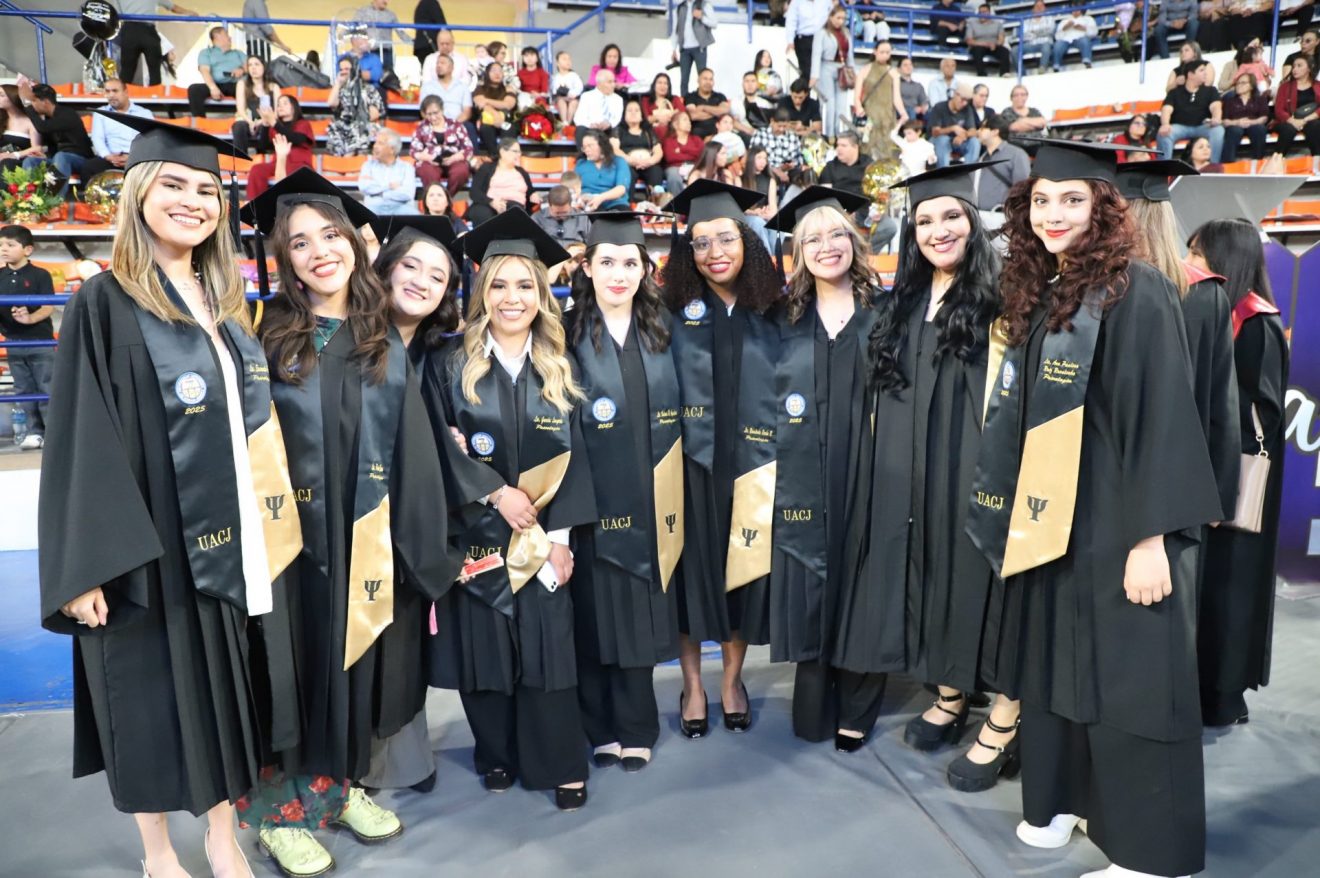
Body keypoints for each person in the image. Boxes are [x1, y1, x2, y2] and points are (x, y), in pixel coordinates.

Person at [37, 114, 296, 878]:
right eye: (174, 185)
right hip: (141, 544)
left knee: (220, 694)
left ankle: (222, 836)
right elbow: (80, 436)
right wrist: (86, 566)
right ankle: (157, 853)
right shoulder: (104, 301)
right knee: (144, 697)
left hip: (221, 537)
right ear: (140, 193)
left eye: (207, 190)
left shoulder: (225, 305)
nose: (193, 201)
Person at [971, 138, 1221, 878]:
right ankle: (1066, 800)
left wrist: (1151, 538)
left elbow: (1164, 417)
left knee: (1132, 675)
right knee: (1055, 663)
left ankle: (1148, 851)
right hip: (1053, 519)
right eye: (1042, 201)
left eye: (1072, 200)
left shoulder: (1138, 291)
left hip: (1118, 519)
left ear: (1104, 208)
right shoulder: (1044, 292)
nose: (1053, 214)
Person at [240, 168, 456, 874]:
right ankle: (278, 815)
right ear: (284, 258)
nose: (319, 252)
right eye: (299, 243)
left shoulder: (379, 339)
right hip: (286, 543)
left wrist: (421, 550)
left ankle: (336, 789)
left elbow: (413, 451)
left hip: (362, 535)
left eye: (330, 235)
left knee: (351, 660)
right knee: (285, 667)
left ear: (356, 243)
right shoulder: (264, 336)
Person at [842, 162, 1016, 788]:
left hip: (975, 468)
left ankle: (1005, 713)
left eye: (951, 217)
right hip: (913, 469)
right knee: (929, 569)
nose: (938, 230)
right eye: (924, 221)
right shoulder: (905, 302)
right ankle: (949, 691)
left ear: (973, 222)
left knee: (979, 578)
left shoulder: (1003, 297)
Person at [424, 208, 596, 811]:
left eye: (525, 284)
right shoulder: (449, 364)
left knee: (549, 648)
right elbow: (437, 447)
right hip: (477, 533)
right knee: (486, 652)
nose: (512, 297)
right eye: (498, 284)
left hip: (543, 537)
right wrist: (494, 492)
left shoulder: (562, 365)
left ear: (542, 293)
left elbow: (581, 456)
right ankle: (495, 752)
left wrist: (561, 540)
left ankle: (559, 762)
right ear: (481, 292)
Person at [745, 186, 886, 748]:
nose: (826, 247)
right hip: (803, 474)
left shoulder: (886, 314)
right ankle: (815, 685)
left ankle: (859, 696)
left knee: (865, 578)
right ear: (797, 252)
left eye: (836, 235)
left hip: (870, 468)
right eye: (812, 239)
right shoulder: (782, 319)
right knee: (810, 576)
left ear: (854, 241)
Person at [660, 179, 782, 739]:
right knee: (691, 580)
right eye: (701, 242)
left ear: (747, 241)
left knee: (741, 578)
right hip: (689, 468)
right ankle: (693, 686)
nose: (714, 252)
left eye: (726, 239)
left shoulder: (774, 310)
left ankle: (732, 681)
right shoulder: (668, 313)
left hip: (753, 465)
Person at [564, 210, 682, 773]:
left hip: (651, 496)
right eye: (607, 261)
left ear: (644, 270)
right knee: (591, 613)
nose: (619, 273)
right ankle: (598, 725)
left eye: (630, 263)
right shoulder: (562, 333)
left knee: (637, 611)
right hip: (586, 497)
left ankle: (637, 725)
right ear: (587, 267)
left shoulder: (663, 330)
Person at [1188, 218, 1289, 728]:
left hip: (1237, 475)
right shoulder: (1218, 313)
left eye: (1198, 253)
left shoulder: (1256, 322)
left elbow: (1259, 411)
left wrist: (1222, 470)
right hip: (1212, 469)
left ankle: (1224, 694)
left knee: (1231, 588)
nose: (1190, 263)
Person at [0, 225, 54, 450]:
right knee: (23, 389)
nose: (4, 249)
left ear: (28, 249)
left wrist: (30, 318)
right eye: (1, 245)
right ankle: (34, 432)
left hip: (40, 342)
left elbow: (49, 306)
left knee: (47, 387)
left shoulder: (41, 275)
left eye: (10, 245)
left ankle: (54, 433)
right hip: (13, 342)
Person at [16, 80, 93, 195]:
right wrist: (45, 155)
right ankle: (29, 198)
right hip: (58, 159)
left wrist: (27, 106)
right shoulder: (48, 118)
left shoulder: (67, 114)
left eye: (34, 101)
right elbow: (51, 144)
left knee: (61, 156)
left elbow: (43, 128)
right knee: (30, 161)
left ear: (45, 102)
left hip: (81, 159)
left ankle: (54, 199)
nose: (32, 105)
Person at [245, 94, 316, 199]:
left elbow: (296, 139)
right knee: (257, 170)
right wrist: (265, 124)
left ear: (294, 107)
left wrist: (273, 122)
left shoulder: (303, 124)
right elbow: (264, 146)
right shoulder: (275, 126)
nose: (280, 107)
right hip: (278, 164)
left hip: (298, 164)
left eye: (285, 103)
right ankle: (254, 204)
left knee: (296, 173)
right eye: (278, 105)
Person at [83, 79, 153, 183]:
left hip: (136, 159)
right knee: (88, 167)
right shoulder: (100, 112)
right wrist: (108, 156)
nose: (111, 95)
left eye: (115, 91)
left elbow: (150, 141)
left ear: (125, 92)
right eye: (107, 91)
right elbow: (97, 138)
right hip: (110, 158)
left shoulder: (144, 113)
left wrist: (132, 157)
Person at [115, 0, 198, 87]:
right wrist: (189, 12)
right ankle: (155, 93)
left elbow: (116, 13)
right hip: (148, 31)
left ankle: (119, 92)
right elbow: (173, 7)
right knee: (154, 69)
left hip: (129, 31)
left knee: (127, 70)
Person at [1157, 60, 1223, 162]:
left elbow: (1216, 106)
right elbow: (1166, 109)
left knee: (1218, 130)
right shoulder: (1175, 92)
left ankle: (1213, 166)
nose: (1205, 73)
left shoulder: (1211, 90)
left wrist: (1216, 118)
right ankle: (1164, 168)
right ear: (1190, 74)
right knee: (1164, 133)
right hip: (1180, 127)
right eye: (1201, 70)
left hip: (1202, 126)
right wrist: (1165, 124)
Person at [412, 94, 474, 198]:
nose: (433, 117)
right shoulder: (421, 127)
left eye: (436, 113)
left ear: (442, 110)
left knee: (461, 171)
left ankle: (446, 198)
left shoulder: (455, 125)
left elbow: (468, 148)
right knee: (427, 171)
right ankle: (434, 197)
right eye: (429, 114)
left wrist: (454, 158)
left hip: (454, 159)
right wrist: (428, 158)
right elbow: (414, 151)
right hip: (430, 161)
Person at [467, 136, 539, 226]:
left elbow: (530, 192)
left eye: (520, 152)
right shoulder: (486, 168)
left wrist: (533, 195)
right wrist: (491, 202)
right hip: (488, 203)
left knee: (515, 211)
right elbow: (474, 192)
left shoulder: (522, 172)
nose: (519, 155)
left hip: (515, 206)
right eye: (515, 151)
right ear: (502, 152)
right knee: (482, 212)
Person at [810, 4, 856, 141]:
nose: (840, 21)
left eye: (843, 18)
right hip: (826, 66)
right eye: (838, 18)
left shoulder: (846, 33)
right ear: (830, 17)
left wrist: (853, 72)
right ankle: (829, 134)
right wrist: (814, 75)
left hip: (842, 69)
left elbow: (850, 55)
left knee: (841, 105)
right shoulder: (822, 33)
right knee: (829, 102)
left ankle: (839, 134)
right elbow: (816, 55)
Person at [327, 55, 387, 157]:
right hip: (344, 125)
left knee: (356, 130)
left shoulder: (369, 89)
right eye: (341, 69)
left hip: (365, 124)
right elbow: (331, 103)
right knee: (335, 128)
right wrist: (338, 83)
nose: (344, 72)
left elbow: (374, 114)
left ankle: (349, 159)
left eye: (347, 69)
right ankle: (342, 161)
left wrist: (356, 120)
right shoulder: (340, 89)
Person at [855, 41, 904, 161]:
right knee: (866, 146)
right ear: (875, 52)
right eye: (882, 52)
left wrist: (903, 113)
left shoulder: (894, 72)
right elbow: (856, 95)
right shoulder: (865, 69)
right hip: (869, 115)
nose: (885, 55)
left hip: (887, 116)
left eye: (888, 52)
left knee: (885, 148)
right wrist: (858, 107)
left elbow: (896, 97)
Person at [189, 27, 248, 117]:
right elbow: (204, 70)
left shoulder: (238, 53)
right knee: (194, 89)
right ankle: (199, 122)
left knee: (246, 88)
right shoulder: (206, 52)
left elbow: (249, 66)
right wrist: (213, 87)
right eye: (226, 35)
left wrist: (242, 70)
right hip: (216, 84)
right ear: (217, 36)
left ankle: (244, 118)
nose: (230, 38)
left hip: (236, 84)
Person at [975, 115, 1030, 212]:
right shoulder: (981, 158)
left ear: (995, 131)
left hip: (1003, 215)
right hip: (979, 215)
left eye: (982, 128)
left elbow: (1022, 190)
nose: (978, 131)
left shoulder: (1016, 154)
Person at [612, 99, 665, 196]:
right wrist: (630, 160)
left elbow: (658, 151)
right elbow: (615, 149)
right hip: (628, 164)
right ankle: (628, 202)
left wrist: (649, 161)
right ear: (624, 115)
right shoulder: (618, 130)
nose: (633, 113)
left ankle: (655, 201)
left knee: (656, 171)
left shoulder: (648, 131)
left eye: (636, 110)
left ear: (642, 115)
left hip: (648, 163)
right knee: (627, 173)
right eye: (629, 110)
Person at [231, 55, 282, 156]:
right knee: (239, 126)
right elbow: (240, 109)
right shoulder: (242, 84)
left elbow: (277, 112)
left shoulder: (274, 87)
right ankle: (241, 159)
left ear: (264, 67)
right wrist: (250, 122)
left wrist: (262, 121)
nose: (253, 68)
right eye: (250, 65)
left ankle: (262, 156)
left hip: (267, 121)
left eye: (257, 64)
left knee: (266, 126)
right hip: (249, 120)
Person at [360, 128, 418, 216]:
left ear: (392, 149)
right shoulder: (368, 165)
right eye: (375, 142)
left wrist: (380, 193)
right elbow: (364, 187)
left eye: (380, 143)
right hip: (374, 207)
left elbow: (407, 193)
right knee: (362, 216)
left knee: (415, 215)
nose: (375, 146)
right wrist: (390, 186)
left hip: (400, 207)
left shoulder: (407, 167)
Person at [1273, 55, 1320, 156]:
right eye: (1294, 66)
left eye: (1299, 66)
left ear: (1309, 68)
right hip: (1289, 120)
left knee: (1315, 126)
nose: (1295, 69)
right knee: (1288, 129)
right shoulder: (1285, 86)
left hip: (1311, 119)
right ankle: (1277, 159)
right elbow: (1279, 110)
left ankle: (1317, 159)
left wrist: (1307, 119)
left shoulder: (1318, 85)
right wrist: (1293, 121)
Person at [671, 0, 719, 98]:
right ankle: (684, 101)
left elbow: (714, 23)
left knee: (703, 77)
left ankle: (703, 99)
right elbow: (676, 29)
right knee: (684, 79)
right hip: (684, 48)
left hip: (699, 47)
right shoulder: (679, 8)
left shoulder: (704, 5)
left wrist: (701, 17)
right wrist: (674, 49)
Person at [578, 130, 635, 210]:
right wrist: (581, 198)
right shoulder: (581, 164)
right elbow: (574, 188)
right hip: (589, 205)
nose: (587, 150)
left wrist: (600, 198)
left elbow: (621, 189)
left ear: (602, 145)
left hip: (616, 203)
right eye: (584, 147)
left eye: (590, 146)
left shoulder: (619, 161)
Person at [928, 83, 981, 168]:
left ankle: (969, 172)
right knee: (943, 140)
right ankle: (943, 172)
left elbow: (973, 131)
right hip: (938, 141)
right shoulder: (940, 107)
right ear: (955, 95)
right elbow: (935, 132)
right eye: (963, 99)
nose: (964, 103)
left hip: (957, 141)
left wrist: (964, 135)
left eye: (967, 101)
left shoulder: (967, 109)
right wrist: (952, 128)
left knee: (974, 142)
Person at [472, 61, 517, 156]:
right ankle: (494, 156)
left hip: (505, 120)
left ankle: (505, 157)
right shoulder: (480, 88)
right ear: (487, 73)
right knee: (485, 128)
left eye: (500, 71)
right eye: (493, 71)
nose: (497, 73)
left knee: (509, 128)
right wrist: (496, 115)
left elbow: (508, 105)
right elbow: (480, 103)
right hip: (487, 121)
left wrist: (486, 101)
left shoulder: (508, 88)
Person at [750, 108, 804, 187]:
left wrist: (790, 165)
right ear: (772, 121)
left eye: (784, 126)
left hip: (789, 172)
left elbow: (799, 157)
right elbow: (752, 157)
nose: (781, 129)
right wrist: (777, 170)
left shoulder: (792, 137)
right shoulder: (761, 134)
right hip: (767, 170)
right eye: (779, 126)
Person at [355, 0, 411, 73]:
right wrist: (342, 36)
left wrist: (413, 42)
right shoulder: (363, 12)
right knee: (370, 74)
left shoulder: (391, 15)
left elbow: (400, 31)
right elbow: (352, 26)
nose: (386, 1)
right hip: (368, 51)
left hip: (386, 52)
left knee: (388, 75)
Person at [574, 69, 625, 148]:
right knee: (580, 129)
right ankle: (583, 154)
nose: (613, 85)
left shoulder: (618, 99)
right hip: (590, 128)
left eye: (614, 81)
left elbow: (617, 118)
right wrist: (591, 124)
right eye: (609, 82)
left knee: (617, 129)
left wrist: (609, 124)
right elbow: (578, 118)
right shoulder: (587, 96)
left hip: (608, 129)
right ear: (599, 84)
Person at [419, 52, 473, 125]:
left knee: (469, 127)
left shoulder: (463, 87)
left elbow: (467, 111)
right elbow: (423, 111)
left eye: (442, 63)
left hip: (458, 124)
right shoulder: (427, 86)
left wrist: (453, 124)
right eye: (437, 63)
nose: (439, 66)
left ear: (451, 67)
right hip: (434, 124)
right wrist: (438, 123)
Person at [786, 0, 833, 80]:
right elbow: (791, 21)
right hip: (804, 39)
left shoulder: (826, 1)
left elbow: (832, 15)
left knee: (823, 70)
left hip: (822, 38)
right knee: (806, 72)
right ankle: (807, 87)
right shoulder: (796, 2)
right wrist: (790, 41)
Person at [661, 110, 705, 194]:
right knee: (674, 176)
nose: (689, 123)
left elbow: (702, 155)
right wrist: (692, 153)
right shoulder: (669, 140)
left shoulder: (696, 139)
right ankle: (678, 201)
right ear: (675, 125)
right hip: (675, 168)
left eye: (689, 120)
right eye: (685, 120)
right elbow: (671, 158)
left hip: (694, 167)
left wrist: (681, 150)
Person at [0, 83, 41, 171]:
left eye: (1, 95)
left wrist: (15, 155)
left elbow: (37, 148)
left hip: (17, 162)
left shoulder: (30, 122)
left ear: (12, 98)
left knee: (7, 164)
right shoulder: (2, 119)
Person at [242, 0, 295, 65]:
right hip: (259, 44)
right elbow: (266, 27)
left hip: (254, 43)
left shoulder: (250, 2)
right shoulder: (257, 2)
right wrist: (282, 45)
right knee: (263, 67)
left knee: (256, 67)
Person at [965, 4, 1011, 77]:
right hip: (978, 45)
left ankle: (1004, 73)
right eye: (980, 12)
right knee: (977, 51)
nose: (982, 14)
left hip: (993, 45)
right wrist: (984, 44)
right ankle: (982, 74)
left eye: (984, 12)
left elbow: (1001, 39)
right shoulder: (972, 24)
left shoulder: (997, 24)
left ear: (989, 13)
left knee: (1005, 51)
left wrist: (995, 44)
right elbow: (969, 41)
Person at [686, 67, 731, 139]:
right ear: (698, 80)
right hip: (698, 134)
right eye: (705, 79)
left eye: (711, 79)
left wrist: (704, 107)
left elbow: (725, 110)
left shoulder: (720, 96)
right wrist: (717, 112)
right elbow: (693, 115)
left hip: (719, 133)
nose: (708, 82)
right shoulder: (690, 96)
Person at [642, 72, 686, 140]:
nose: (662, 86)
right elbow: (646, 119)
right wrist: (658, 118)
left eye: (665, 83)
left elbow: (682, 112)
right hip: (652, 133)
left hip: (673, 132)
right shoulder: (646, 100)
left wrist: (668, 116)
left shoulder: (675, 99)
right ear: (654, 85)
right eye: (659, 83)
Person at [1017, 1, 1056, 72]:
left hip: (1045, 43)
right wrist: (1042, 31)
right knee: (1015, 50)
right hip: (1030, 44)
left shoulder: (1050, 19)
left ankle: (1042, 69)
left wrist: (1034, 33)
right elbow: (1025, 35)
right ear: (1033, 9)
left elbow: (1050, 31)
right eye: (1037, 6)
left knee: (1046, 47)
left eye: (1041, 6)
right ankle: (1022, 73)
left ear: (1045, 8)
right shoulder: (1026, 21)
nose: (1039, 8)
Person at [552, 51, 585, 130]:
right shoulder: (556, 77)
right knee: (561, 102)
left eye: (569, 59)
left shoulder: (574, 75)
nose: (568, 61)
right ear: (557, 63)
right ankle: (564, 122)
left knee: (573, 103)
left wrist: (571, 94)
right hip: (560, 98)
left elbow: (579, 87)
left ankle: (568, 124)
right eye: (564, 59)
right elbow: (554, 90)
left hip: (573, 97)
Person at [897, 57, 929, 122]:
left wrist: (921, 108)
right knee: (910, 111)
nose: (908, 67)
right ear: (899, 69)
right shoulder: (896, 84)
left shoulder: (918, 86)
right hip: (900, 112)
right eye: (905, 65)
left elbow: (924, 102)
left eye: (910, 65)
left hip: (916, 113)